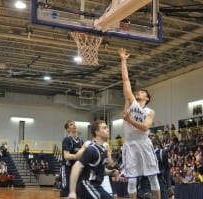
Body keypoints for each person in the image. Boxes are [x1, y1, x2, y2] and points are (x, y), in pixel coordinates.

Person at [119, 48, 160, 199]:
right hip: (130, 144)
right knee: (131, 180)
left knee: (153, 177)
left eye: (142, 92)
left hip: (143, 143)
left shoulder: (150, 111)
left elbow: (145, 127)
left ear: (147, 98)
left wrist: (129, 120)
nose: (139, 92)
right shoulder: (130, 102)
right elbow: (125, 80)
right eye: (138, 91)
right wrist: (123, 60)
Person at [68, 120, 116, 199]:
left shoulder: (103, 150)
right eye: (104, 128)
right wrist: (72, 192)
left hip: (95, 185)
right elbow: (76, 167)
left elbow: (100, 170)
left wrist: (110, 172)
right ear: (97, 132)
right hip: (87, 185)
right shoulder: (92, 149)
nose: (108, 130)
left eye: (107, 128)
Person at [60, 120, 86, 198]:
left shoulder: (81, 141)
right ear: (67, 129)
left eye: (74, 124)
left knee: (78, 192)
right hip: (67, 168)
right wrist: (76, 156)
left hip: (76, 169)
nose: (74, 125)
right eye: (71, 124)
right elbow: (66, 156)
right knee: (66, 193)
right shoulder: (67, 139)